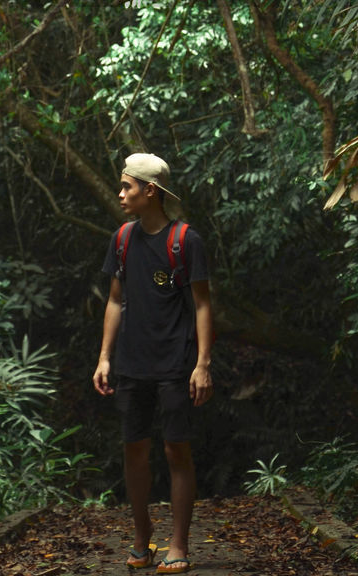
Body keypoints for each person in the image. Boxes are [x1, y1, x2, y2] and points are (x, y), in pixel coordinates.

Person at [92, 153, 214, 573]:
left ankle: (178, 544)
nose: (121, 193)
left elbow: (201, 304)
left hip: (175, 364)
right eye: (121, 186)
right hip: (131, 364)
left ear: (151, 191)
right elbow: (114, 299)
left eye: (127, 187)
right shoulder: (123, 239)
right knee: (134, 450)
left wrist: (203, 363)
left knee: (175, 448)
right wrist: (105, 357)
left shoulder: (185, 241)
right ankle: (142, 540)